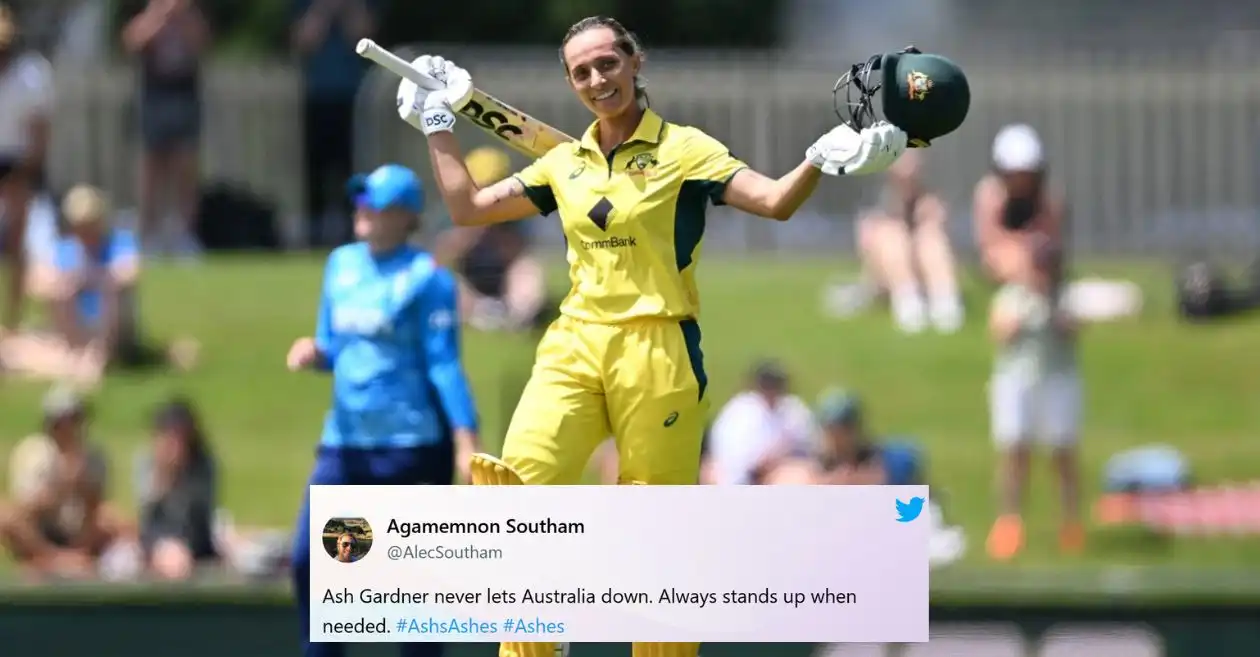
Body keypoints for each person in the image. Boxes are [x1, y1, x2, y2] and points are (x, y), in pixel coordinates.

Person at [395, 19, 975, 657]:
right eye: (582, 72)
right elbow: (469, 209)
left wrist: (818, 158)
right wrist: (438, 124)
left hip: (658, 348)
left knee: (658, 543)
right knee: (512, 492)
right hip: (573, 342)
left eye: (607, 64)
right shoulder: (563, 163)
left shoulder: (686, 151)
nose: (597, 80)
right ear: (570, 81)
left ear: (634, 62)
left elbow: (774, 201)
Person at [285, 163, 479, 657]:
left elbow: (444, 363)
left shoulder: (426, 279)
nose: (362, 211)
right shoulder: (341, 265)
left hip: (411, 451)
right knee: (319, 563)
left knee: (412, 589)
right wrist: (315, 352)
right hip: (348, 450)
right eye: (360, 201)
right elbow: (335, 344)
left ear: (405, 215)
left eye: (375, 203)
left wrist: (465, 440)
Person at [985, 236, 1083, 561]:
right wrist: (1025, 311)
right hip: (1015, 381)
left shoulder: (1064, 298)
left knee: (1063, 454)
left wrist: (1053, 311)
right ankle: (1009, 522)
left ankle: (1070, 523)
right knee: (1015, 452)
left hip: (1058, 380)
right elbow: (999, 332)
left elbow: (1074, 330)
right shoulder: (1012, 297)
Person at [0, 385, 133, 580]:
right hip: (42, 530)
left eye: (74, 420)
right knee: (5, 517)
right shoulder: (33, 453)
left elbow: (99, 507)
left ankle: (82, 557)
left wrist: (83, 486)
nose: (70, 428)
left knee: (119, 521)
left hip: (81, 528)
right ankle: (53, 559)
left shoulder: (95, 456)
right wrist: (60, 488)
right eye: (63, 421)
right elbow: (24, 510)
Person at [122, 0, 211, 256]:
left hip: (184, 96)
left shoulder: (191, 14)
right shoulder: (150, 12)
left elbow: (202, 44)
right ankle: (148, 234)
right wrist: (160, 14)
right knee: (151, 168)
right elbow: (132, 42)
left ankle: (185, 234)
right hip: (154, 97)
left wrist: (182, 17)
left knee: (185, 167)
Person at [843, 150, 964, 333]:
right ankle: (909, 303)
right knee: (891, 235)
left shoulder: (929, 197)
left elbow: (945, 237)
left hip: (923, 269)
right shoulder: (878, 200)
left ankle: (944, 301)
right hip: (886, 274)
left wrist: (931, 218)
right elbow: (867, 246)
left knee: (931, 237)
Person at [434, 146, 550, 332]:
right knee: (445, 282)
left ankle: (518, 318)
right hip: (470, 282)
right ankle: (480, 314)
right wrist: (470, 231)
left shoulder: (517, 211)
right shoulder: (456, 211)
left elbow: (519, 254)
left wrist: (496, 226)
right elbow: (439, 259)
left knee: (529, 271)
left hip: (504, 281)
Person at [291, 0, 378, 247]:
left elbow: (364, 36)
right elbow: (304, 40)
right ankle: (314, 233)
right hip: (317, 96)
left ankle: (357, 227)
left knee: (353, 169)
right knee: (315, 170)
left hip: (355, 99)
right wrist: (324, 7)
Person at [0, 4, 53, 331]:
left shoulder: (31, 74)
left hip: (17, 161)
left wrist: (26, 171)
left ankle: (13, 319)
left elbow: (39, 130)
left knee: (17, 245)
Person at [133, 397, 218, 580]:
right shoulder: (147, 462)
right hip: (158, 535)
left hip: (194, 536)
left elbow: (202, 510)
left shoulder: (203, 465)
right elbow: (148, 510)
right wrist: (166, 473)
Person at [973, 123, 1067, 285]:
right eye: (1015, 175)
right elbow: (988, 246)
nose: (1021, 182)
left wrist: (1036, 247)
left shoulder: (1049, 196)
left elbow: (1053, 239)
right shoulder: (990, 194)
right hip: (1005, 257)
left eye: (1026, 175)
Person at [706, 361, 817, 485]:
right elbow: (735, 458)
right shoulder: (740, 410)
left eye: (775, 383)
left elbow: (811, 447)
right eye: (768, 383)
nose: (772, 389)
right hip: (744, 477)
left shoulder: (794, 408)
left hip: (783, 471)